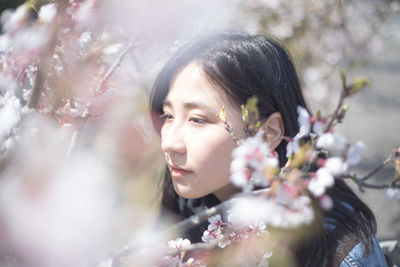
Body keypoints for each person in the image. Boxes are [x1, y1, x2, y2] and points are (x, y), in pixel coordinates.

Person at [149, 31, 388, 266]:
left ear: (268, 133)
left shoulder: (338, 250)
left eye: (198, 119)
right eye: (168, 115)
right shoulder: (181, 219)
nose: (169, 143)